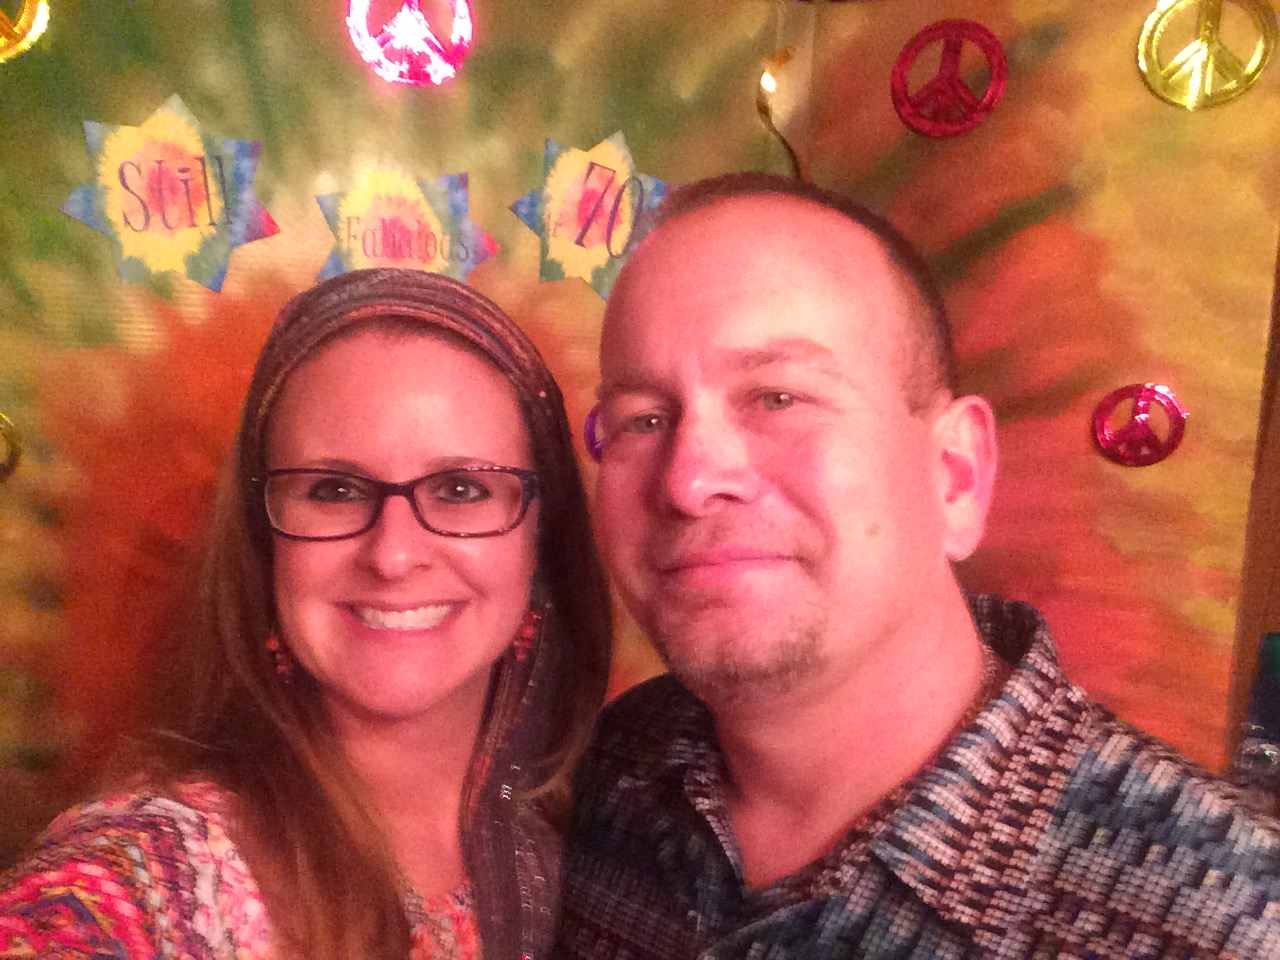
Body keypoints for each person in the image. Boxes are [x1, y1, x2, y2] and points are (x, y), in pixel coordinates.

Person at [556, 173, 1280, 959]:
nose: (690, 480)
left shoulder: (1233, 923)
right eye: (642, 419)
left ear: (955, 475)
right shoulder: (600, 773)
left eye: (778, 398)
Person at [0, 268, 612, 960]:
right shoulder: (164, 868)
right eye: (334, 490)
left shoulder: (605, 837)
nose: (393, 555)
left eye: (462, 489)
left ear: (541, 544)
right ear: (264, 547)